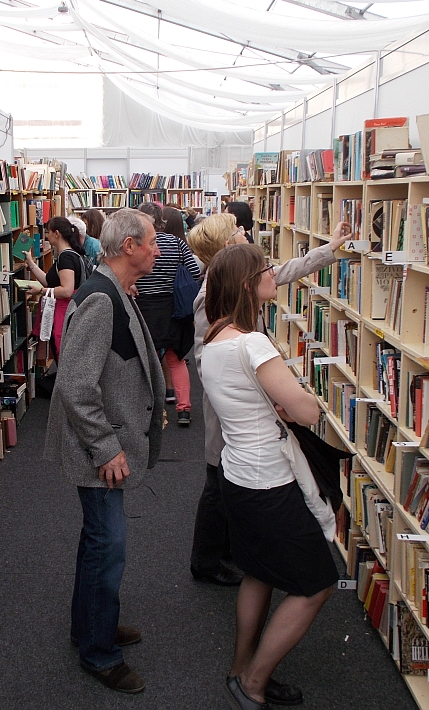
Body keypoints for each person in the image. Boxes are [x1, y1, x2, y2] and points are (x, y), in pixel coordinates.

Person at [202, 244, 338, 710]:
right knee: (317, 582)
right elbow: (306, 412)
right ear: (247, 283)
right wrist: (303, 400)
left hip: (237, 475)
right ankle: (254, 682)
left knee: (258, 573)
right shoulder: (253, 343)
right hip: (267, 480)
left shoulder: (215, 338)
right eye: (266, 269)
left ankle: (241, 669)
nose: (274, 273)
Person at [189, 217, 352, 587]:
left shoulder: (241, 285)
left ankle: (232, 551)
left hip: (251, 396)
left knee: (225, 480)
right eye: (237, 233)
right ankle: (206, 559)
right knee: (217, 481)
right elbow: (206, 359)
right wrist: (241, 396)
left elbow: (286, 271)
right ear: (226, 250)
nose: (245, 234)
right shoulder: (210, 298)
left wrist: (329, 249)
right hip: (232, 407)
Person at [44, 209, 165, 694]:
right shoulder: (100, 298)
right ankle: (98, 653)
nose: (160, 249)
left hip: (105, 440)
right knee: (107, 545)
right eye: (153, 242)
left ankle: (91, 624)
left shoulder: (113, 290)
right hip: (97, 447)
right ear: (130, 246)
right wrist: (105, 446)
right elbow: (75, 385)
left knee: (99, 541)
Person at [134, 202, 201, 427]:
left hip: (144, 307)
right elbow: (194, 272)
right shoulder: (176, 243)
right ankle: (184, 410)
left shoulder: (136, 244)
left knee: (149, 362)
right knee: (176, 360)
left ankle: (156, 411)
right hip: (173, 308)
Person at [24, 216, 88, 359]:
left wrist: (40, 291)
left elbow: (66, 290)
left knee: (63, 352)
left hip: (63, 312)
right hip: (66, 310)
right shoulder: (69, 255)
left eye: (48, 232)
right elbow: (49, 281)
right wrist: (31, 263)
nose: (46, 236)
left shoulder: (66, 258)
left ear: (57, 233)